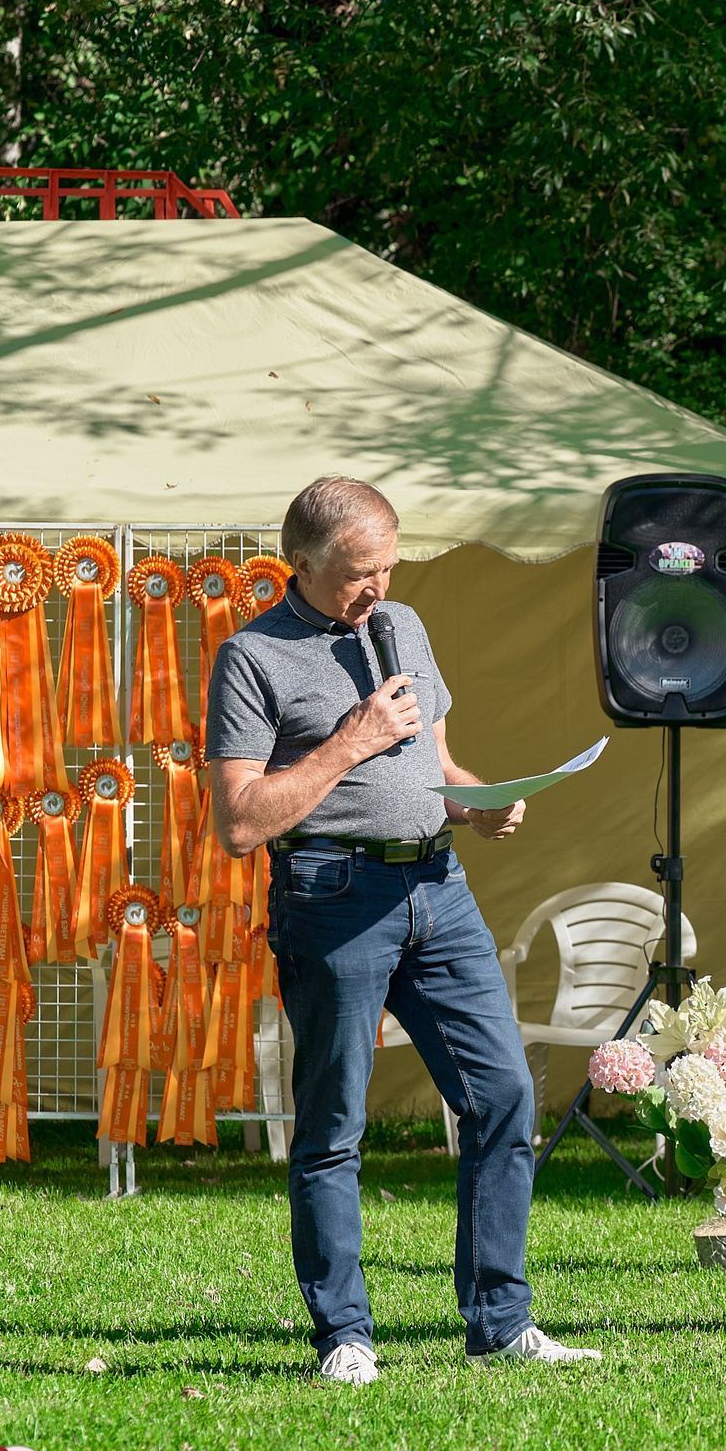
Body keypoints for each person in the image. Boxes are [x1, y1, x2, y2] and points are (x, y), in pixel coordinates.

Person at [206, 476, 597, 1384]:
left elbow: (438, 761)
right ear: (300, 564)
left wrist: (473, 805)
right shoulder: (252, 658)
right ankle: (345, 1335)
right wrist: (350, 741)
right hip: (330, 896)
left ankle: (500, 1322)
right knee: (336, 1124)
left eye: (387, 566)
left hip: (438, 886)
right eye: (356, 574)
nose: (376, 588)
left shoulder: (405, 624)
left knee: (503, 1097)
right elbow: (239, 822)